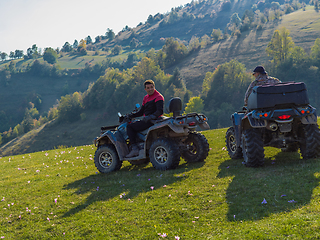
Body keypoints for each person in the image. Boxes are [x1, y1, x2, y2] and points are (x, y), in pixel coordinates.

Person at [125, 80, 164, 158]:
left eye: (151, 87)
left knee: (130, 127)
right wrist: (131, 116)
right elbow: (141, 112)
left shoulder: (158, 97)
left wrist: (150, 117)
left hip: (152, 120)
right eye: (148, 88)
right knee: (135, 124)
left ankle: (135, 148)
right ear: (145, 89)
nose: (150, 89)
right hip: (147, 119)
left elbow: (160, 111)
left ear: (154, 87)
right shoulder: (146, 98)